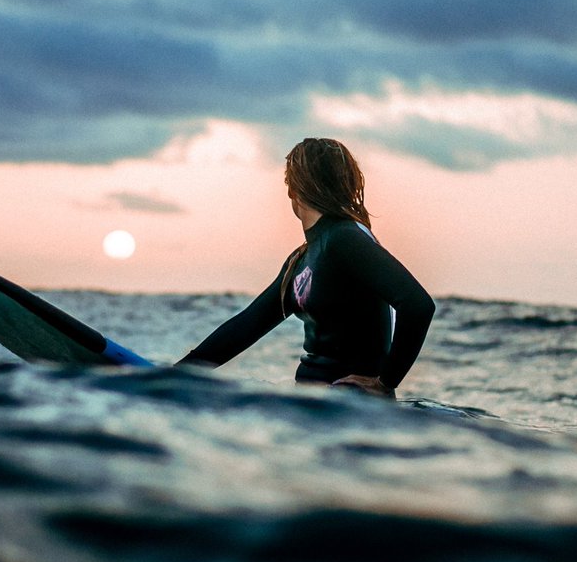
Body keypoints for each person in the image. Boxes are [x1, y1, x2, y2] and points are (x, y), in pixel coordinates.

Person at [177, 138, 435, 397]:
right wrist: (174, 375)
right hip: (312, 406)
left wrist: (386, 383)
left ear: (292, 189)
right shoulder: (302, 259)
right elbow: (246, 326)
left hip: (347, 411)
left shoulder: (343, 239)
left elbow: (417, 305)